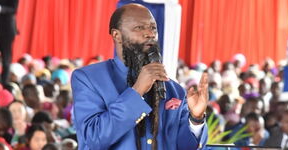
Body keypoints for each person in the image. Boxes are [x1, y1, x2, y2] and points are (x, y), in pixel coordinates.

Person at [71, 3, 208, 150]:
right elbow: (93, 138)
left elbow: (185, 147)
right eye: (139, 28)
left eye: (153, 28)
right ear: (117, 35)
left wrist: (196, 119)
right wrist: (136, 92)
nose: (150, 33)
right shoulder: (89, 78)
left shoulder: (174, 89)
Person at [0, 0, 19, 86]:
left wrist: (1, 9)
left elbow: (14, 9)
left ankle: (4, 83)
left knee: (6, 58)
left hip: (7, 30)